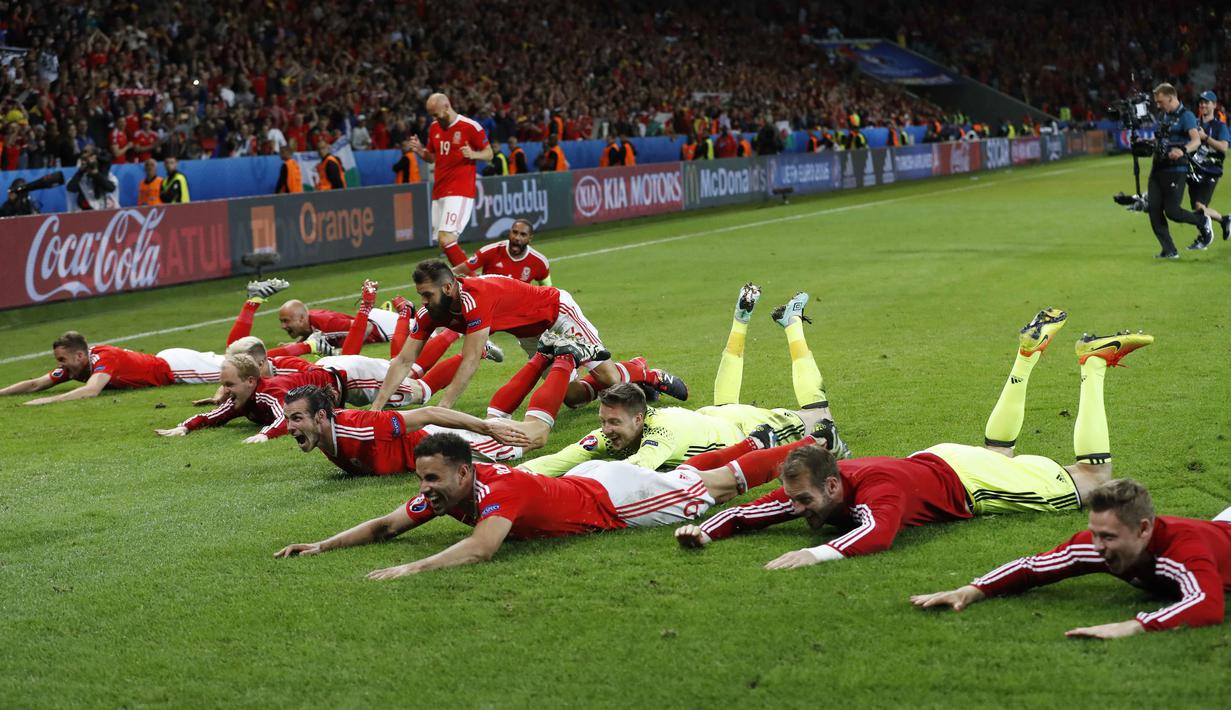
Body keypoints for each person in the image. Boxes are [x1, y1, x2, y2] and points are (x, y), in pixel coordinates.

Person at [675, 309, 1154, 569]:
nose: (794, 509)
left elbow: (876, 536)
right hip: (941, 460)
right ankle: (1026, 357)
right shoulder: (816, 484)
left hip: (966, 480)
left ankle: (1093, 364)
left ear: (833, 488)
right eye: (795, 500)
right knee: (999, 453)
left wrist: (812, 554)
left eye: (801, 502)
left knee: (1093, 478)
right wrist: (704, 530)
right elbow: (752, 511)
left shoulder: (880, 494)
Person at [271, 428, 792, 577]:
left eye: (431, 478)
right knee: (685, 476)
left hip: (614, 501)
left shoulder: (500, 491)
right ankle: (761, 442)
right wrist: (322, 545)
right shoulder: (447, 490)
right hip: (593, 480)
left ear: (463, 472)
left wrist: (416, 566)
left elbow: (481, 548)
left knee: (716, 487)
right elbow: (385, 526)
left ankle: (804, 446)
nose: (424, 488)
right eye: (421, 478)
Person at [518, 286, 846, 475]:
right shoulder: (621, 424)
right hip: (715, 421)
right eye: (604, 422)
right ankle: (751, 322)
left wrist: (567, 481)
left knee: (821, 415)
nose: (605, 430)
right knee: (727, 406)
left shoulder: (661, 435)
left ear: (638, 417)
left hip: (748, 426)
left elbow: (630, 472)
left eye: (611, 423)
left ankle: (790, 324)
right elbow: (561, 459)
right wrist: (503, 476)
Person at [911, 479, 1231, 638]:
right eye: (1094, 533)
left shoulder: (1184, 549)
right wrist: (970, 590)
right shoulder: (1096, 545)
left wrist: (1131, 626)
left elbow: (1207, 604)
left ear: (1144, 529)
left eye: (1108, 537)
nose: (1097, 545)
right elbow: (1032, 568)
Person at [372, 259, 684, 411]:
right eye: (420, 296)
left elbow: (470, 360)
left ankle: (645, 371)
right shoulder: (431, 312)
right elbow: (402, 360)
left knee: (609, 379)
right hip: (536, 337)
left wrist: (443, 408)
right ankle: (632, 375)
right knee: (571, 397)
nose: (422, 303)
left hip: (556, 313)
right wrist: (376, 408)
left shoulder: (474, 299)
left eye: (427, 294)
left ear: (449, 287)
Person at [283, 381, 534, 474]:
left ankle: (557, 359)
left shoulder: (364, 427)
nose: (289, 427)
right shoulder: (321, 434)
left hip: (444, 444)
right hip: (428, 457)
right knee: (504, 421)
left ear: (320, 417)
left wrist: (486, 429)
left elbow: (429, 413)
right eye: (288, 419)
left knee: (535, 437)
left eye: (296, 419)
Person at [155, 353, 343, 444]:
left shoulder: (269, 392)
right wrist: (185, 427)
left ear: (251, 381)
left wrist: (264, 435)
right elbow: (213, 416)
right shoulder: (242, 399)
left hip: (344, 378)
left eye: (229, 384)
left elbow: (285, 419)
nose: (225, 391)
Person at [0, 331, 223, 406]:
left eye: (62, 359)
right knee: (232, 362)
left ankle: (252, 302)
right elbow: (35, 384)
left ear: (79, 355)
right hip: (168, 361)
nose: (59, 364)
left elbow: (91, 390)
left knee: (239, 369)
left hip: (177, 368)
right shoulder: (75, 367)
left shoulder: (104, 357)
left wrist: (47, 401)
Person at [406, 93, 493, 268]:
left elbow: (489, 153)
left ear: (447, 106)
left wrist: (474, 154)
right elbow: (432, 157)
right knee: (444, 242)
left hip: (460, 190)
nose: (435, 118)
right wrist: (420, 151)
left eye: (437, 114)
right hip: (440, 190)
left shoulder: (470, 127)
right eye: (432, 115)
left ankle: (474, 283)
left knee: (446, 238)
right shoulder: (434, 128)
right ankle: (467, 282)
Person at [1146, 83, 1212, 258]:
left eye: (1160, 102)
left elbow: (1196, 140)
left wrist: (1182, 150)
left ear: (1170, 97)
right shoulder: (1163, 116)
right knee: (1153, 209)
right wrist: (1147, 144)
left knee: (1173, 212)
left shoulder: (1186, 116)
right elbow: (1160, 140)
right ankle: (1169, 250)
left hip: (1176, 169)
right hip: (1158, 168)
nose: (1158, 106)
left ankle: (1201, 220)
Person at [1187, 90, 1230, 248]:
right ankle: (1224, 220)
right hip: (1194, 168)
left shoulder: (1219, 126)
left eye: (1207, 102)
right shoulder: (1194, 124)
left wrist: (1205, 137)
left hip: (1211, 170)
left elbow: (1224, 147)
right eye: (1201, 102)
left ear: (1214, 105)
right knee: (1199, 209)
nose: (1203, 105)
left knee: (1199, 207)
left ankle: (1204, 238)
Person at [455, 218, 552, 285]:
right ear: (510, 232)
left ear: (529, 238)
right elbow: (457, 271)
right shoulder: (490, 251)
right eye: (515, 232)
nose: (517, 238)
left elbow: (548, 288)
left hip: (516, 308)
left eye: (523, 235)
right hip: (489, 303)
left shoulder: (540, 262)